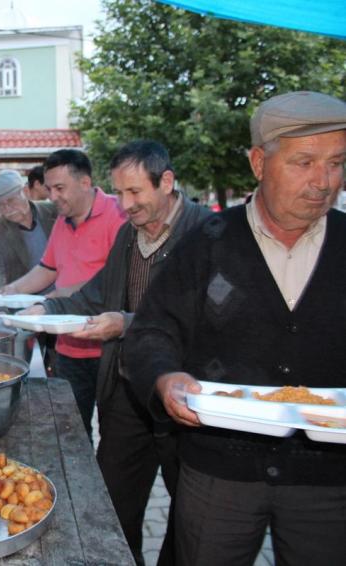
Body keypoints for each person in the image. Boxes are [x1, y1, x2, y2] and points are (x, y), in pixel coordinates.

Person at [125, 91, 346, 565]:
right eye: (304, 162)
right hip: (219, 471)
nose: (323, 182)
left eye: (336, 163)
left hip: (329, 481)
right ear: (259, 162)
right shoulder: (206, 244)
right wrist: (165, 379)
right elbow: (151, 332)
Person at [21, 141, 212, 565]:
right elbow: (97, 294)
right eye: (120, 193)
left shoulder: (205, 233)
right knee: (115, 504)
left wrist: (125, 323)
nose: (125, 205)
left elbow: (203, 315)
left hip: (185, 401)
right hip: (126, 391)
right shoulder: (129, 233)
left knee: (192, 515)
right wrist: (48, 307)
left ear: (166, 182)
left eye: (135, 193)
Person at [1, 150, 126, 437]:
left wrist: (56, 298)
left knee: (115, 436)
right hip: (68, 348)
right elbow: (48, 269)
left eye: (60, 188)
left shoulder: (117, 216)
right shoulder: (62, 220)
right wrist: (12, 290)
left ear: (85, 183)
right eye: (49, 189)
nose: (53, 196)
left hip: (108, 347)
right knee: (71, 431)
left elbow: (110, 281)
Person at [0, 169, 57, 294]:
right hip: (25, 304)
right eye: (0, 205)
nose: (8, 209)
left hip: (66, 298)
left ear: (26, 191)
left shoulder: (54, 212)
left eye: (11, 201)